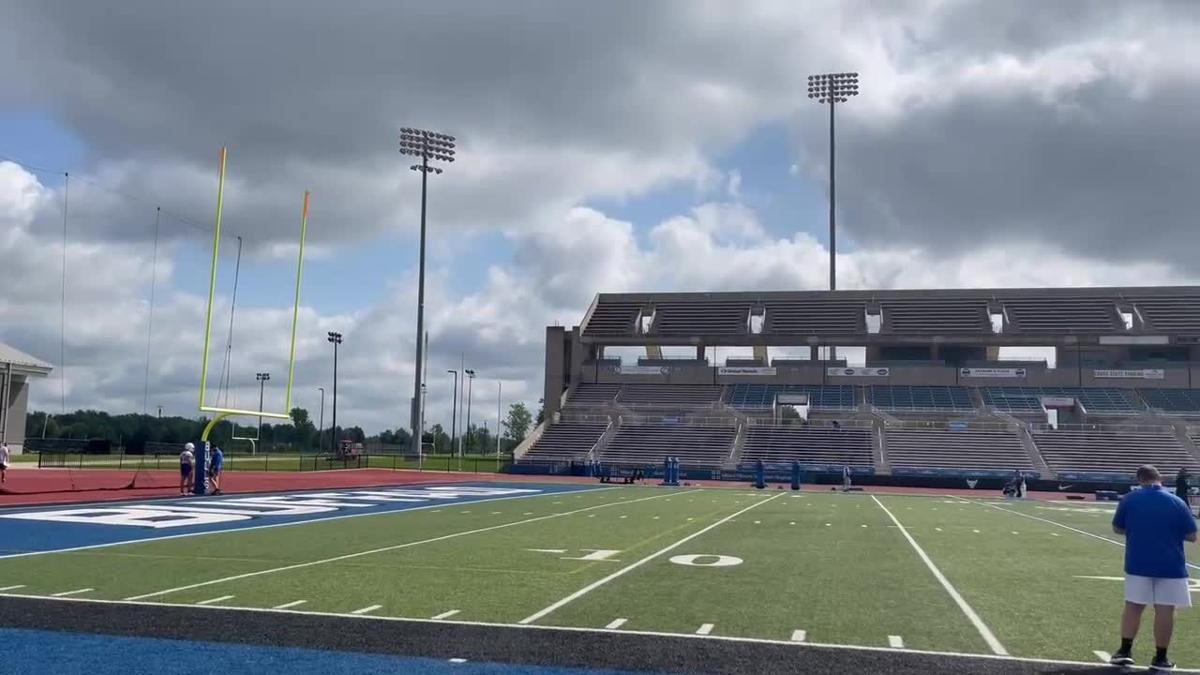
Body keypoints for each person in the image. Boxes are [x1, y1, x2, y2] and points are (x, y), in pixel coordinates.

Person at [1109, 464, 1197, 671]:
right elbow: (1192, 535)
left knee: (1134, 606)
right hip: (1171, 565)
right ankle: (1161, 657)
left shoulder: (1130, 500)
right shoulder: (1177, 502)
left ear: (1139, 480)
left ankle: (1124, 651)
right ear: (1161, 478)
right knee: (1166, 609)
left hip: (1138, 562)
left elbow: (1117, 527)